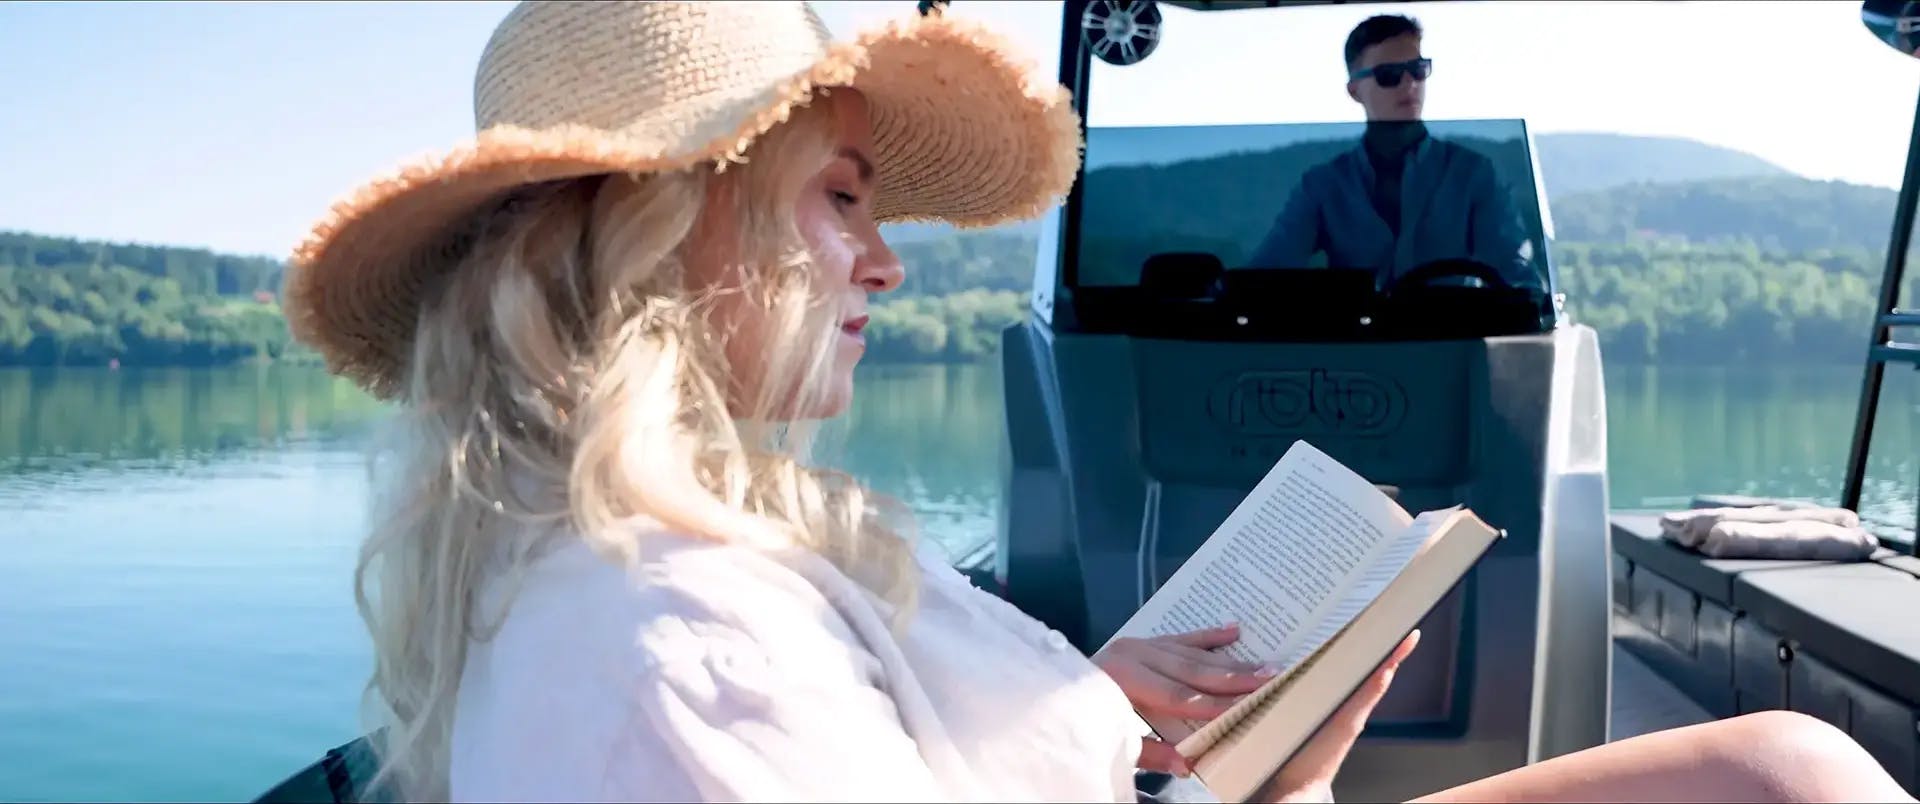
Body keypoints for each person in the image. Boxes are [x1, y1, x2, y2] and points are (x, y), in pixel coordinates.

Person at [282, 1, 1913, 802]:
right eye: (841, 200)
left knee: (1785, 762)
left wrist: (1094, 699)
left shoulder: (620, 562)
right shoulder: (679, 647)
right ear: (652, 228)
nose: (884, 260)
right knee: (1798, 780)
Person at [1246, 14, 1542, 293]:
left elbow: (1516, 275)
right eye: (1389, 75)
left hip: (1449, 330)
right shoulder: (1323, 185)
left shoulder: (1474, 173)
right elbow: (1265, 273)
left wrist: (1528, 301)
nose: (1410, 84)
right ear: (1355, 91)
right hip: (1359, 331)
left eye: (1418, 70)